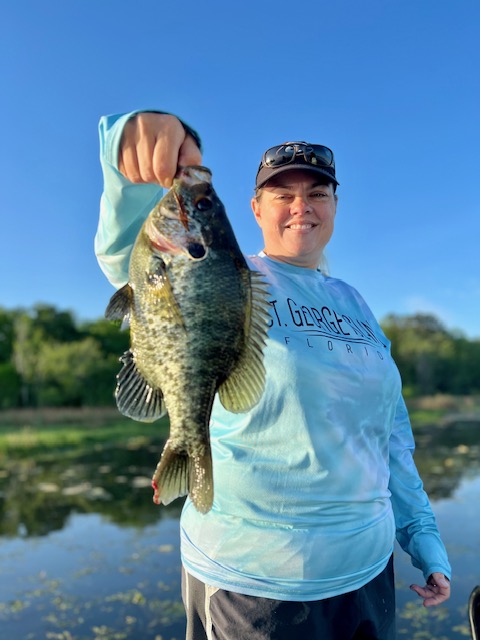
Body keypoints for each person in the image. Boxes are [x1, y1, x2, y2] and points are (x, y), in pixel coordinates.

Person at [95, 111, 452, 640]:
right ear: (255, 208)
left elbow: (389, 437)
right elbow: (130, 253)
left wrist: (424, 540)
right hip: (255, 587)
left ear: (335, 205)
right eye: (282, 194)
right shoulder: (225, 270)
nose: (301, 207)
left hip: (368, 573)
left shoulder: (355, 302)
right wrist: (131, 139)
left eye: (317, 193)